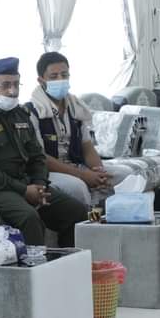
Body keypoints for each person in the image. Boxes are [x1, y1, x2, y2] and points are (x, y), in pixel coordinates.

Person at [0, 57, 88, 247]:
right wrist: (24, 191)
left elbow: (37, 156)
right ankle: (33, 265)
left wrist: (39, 184)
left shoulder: (20, 114)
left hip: (23, 183)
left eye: (16, 84)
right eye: (5, 85)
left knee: (75, 211)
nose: (12, 91)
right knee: (28, 217)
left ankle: (66, 261)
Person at [27, 51, 109, 208]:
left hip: (77, 165)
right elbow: (41, 157)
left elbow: (87, 147)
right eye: (53, 76)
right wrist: (83, 175)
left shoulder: (75, 106)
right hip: (50, 171)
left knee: (119, 176)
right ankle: (88, 222)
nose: (60, 80)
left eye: (64, 75)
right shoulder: (32, 111)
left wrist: (99, 171)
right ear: (41, 80)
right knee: (78, 186)